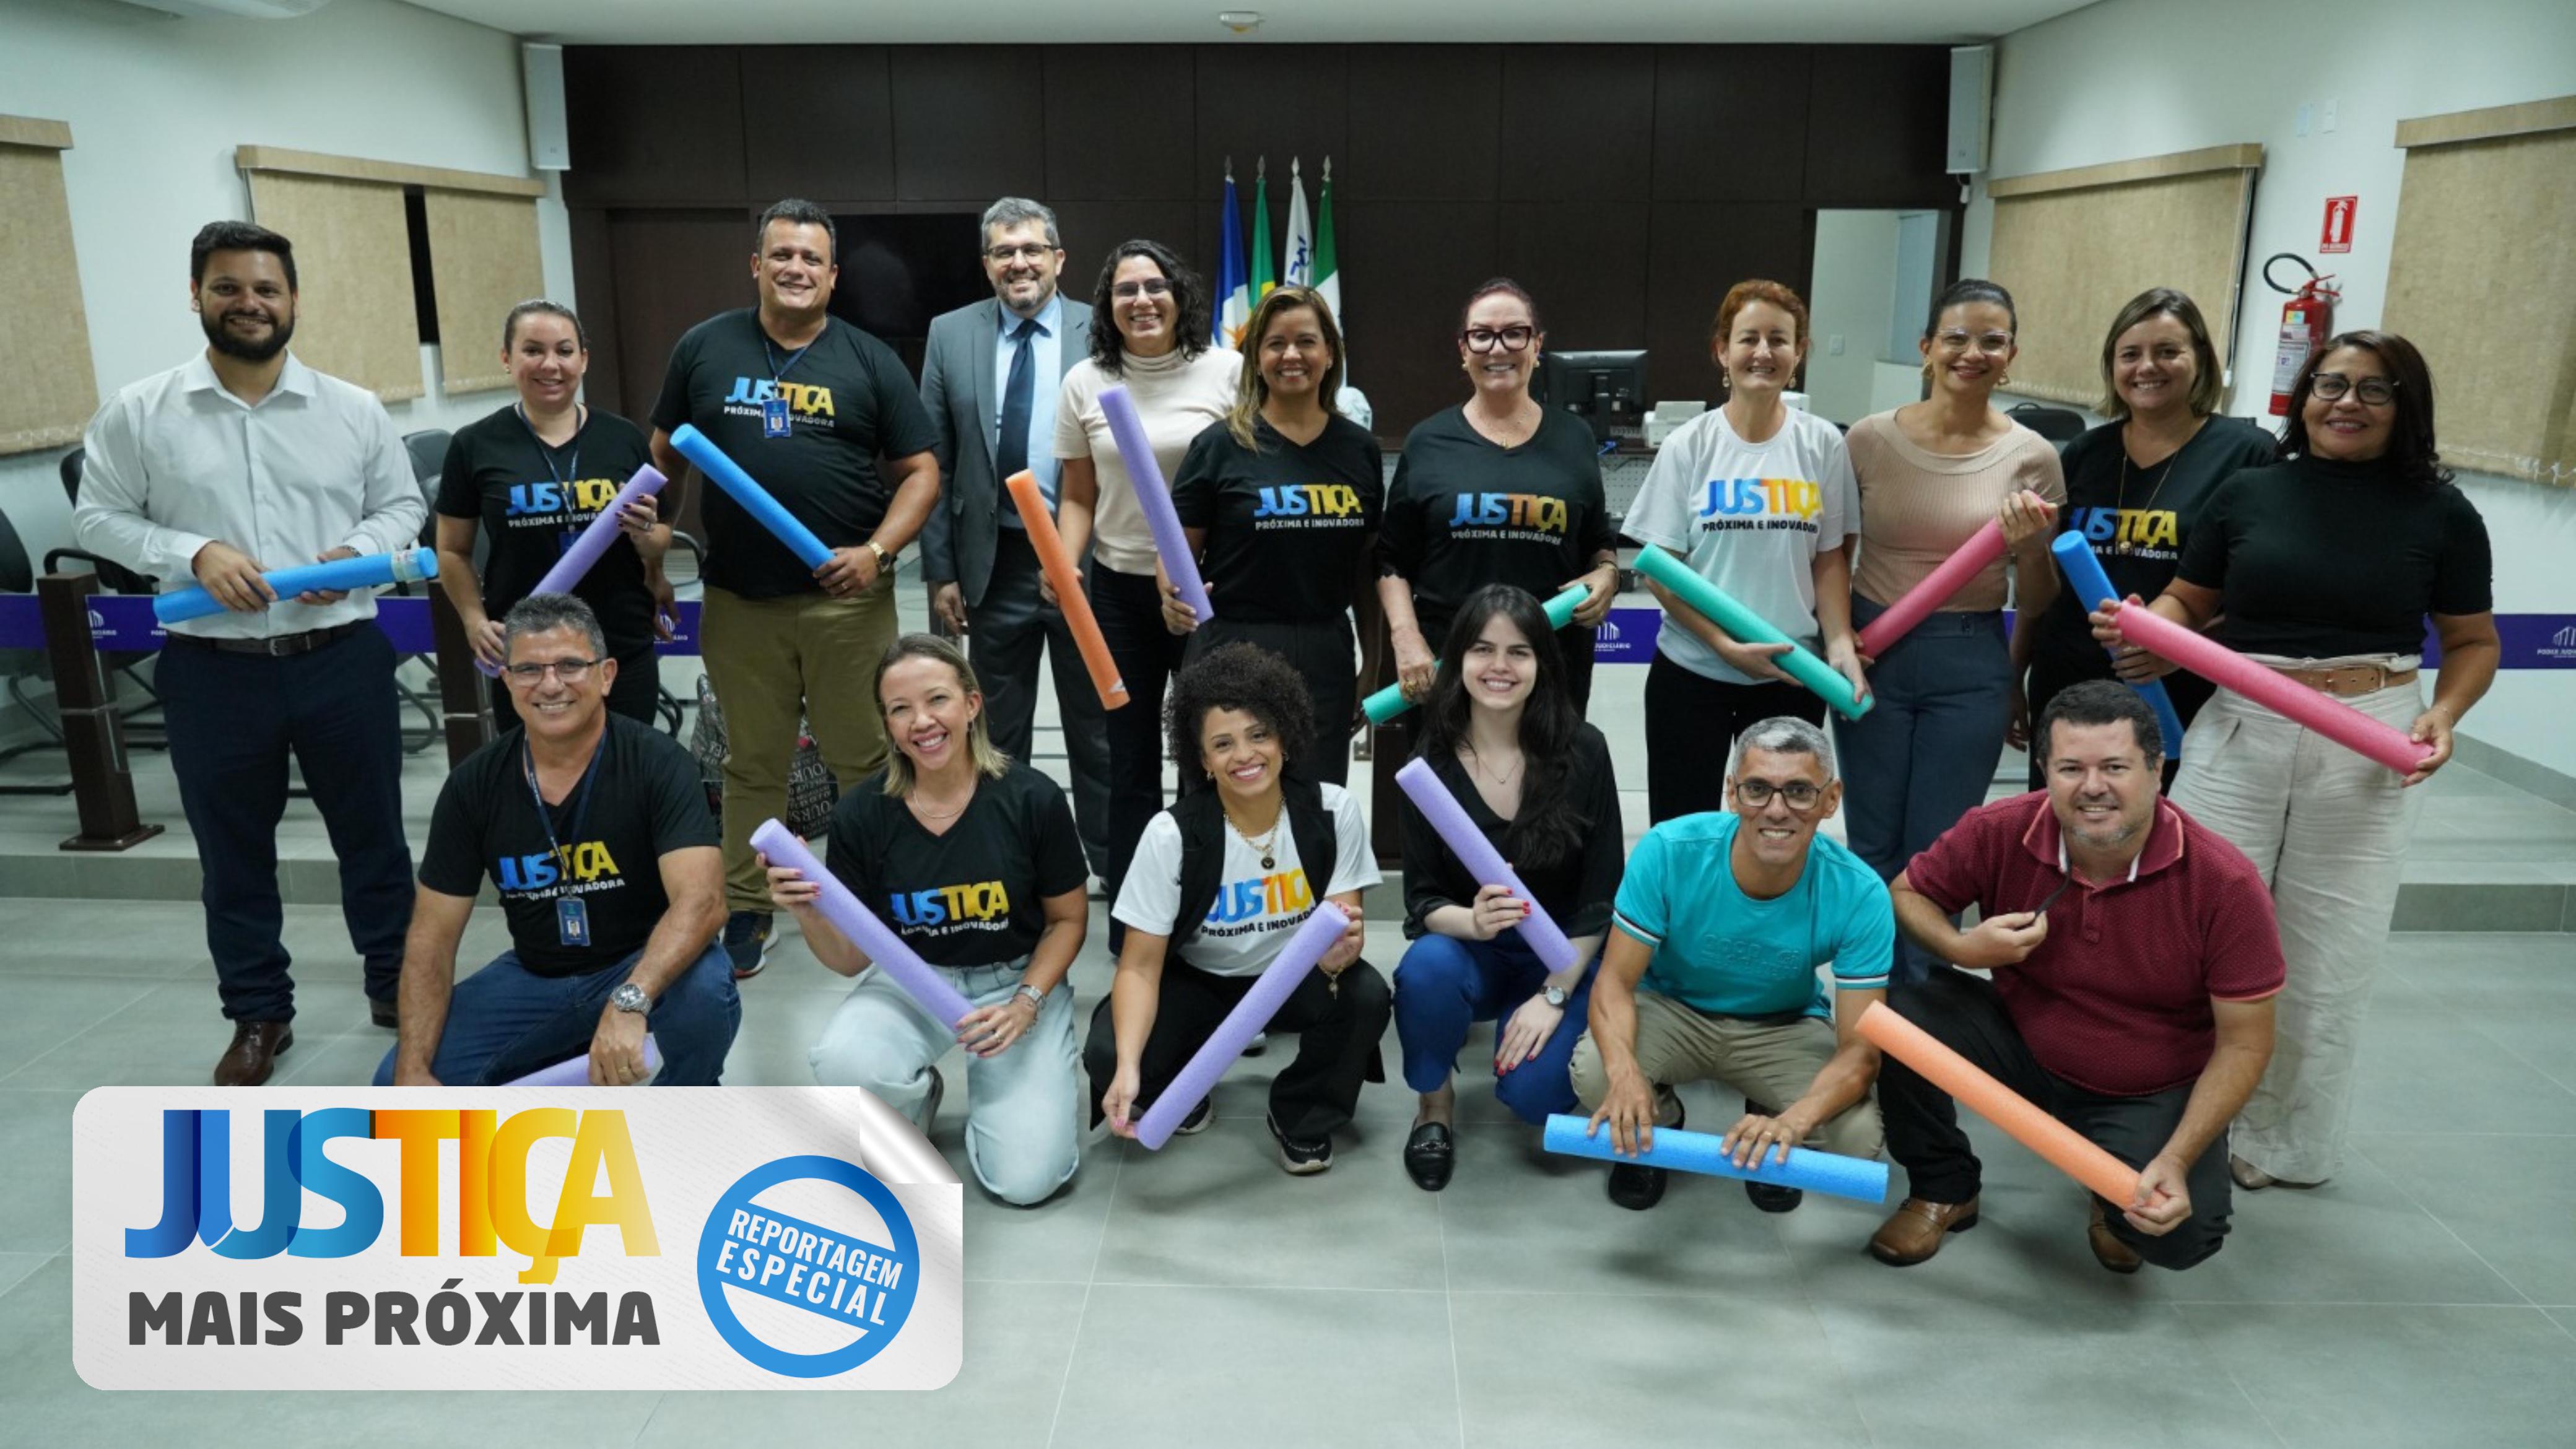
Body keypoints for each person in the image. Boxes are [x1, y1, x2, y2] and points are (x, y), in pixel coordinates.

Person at [2094, 332, 2496, 1192]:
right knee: (2185, 929)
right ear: (2304, 396)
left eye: (2374, 391)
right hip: (2244, 718)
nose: (2346, 403)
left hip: (2369, 732)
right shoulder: (2249, 493)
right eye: (2330, 385)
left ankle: (2282, 1145)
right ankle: (2168, 1121)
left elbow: (2472, 641)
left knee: (2328, 952)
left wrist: (2445, 712)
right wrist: (2151, 627)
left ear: (2406, 408)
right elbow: (2191, 600)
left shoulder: (2443, 512)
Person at [73, 220, 424, 1086]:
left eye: (266, 289)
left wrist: (353, 552)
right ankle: (258, 1012)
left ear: (293, 300)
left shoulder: (353, 409)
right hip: (213, 670)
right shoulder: (141, 411)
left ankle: (398, 988)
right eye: (228, 287)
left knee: (375, 840)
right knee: (234, 857)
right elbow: (98, 516)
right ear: (197, 297)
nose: (250, 304)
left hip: (340, 653)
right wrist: (190, 552)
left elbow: (403, 506)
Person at [1869, 681, 2282, 1273]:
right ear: (2045, 771)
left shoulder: (2225, 885)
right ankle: (1945, 1186)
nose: (2092, 787)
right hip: (2026, 1045)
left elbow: (2247, 1042)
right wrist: (1961, 944)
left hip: (2146, 1086)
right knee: (1900, 1018)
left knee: (2178, 1239)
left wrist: (2176, 1158)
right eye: (2070, 768)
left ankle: (2109, 1187)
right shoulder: (2002, 828)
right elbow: (1907, 893)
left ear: (2156, 769)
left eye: (2115, 767)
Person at [649, 198, 942, 980]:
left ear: (833, 274)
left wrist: (877, 552)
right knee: (752, 762)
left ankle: (869, 897)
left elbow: (922, 473)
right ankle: (747, 907)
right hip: (742, 600)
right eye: (781, 255)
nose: (795, 269)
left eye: (811, 259)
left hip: (847, 603)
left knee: (867, 758)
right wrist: (652, 559)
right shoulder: (703, 349)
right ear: (756, 265)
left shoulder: (868, 359)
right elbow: (663, 465)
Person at [768, 635, 1090, 1206]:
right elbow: (850, 960)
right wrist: (807, 908)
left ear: (971, 705)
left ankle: (1007, 1105)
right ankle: (916, 1098)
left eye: (937, 700)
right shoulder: (863, 815)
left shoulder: (1031, 799)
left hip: (1012, 985)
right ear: (888, 725)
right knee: (848, 1063)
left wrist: (1027, 1003)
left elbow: (1067, 921)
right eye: (900, 709)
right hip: (913, 981)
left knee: (1026, 1181)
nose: (922, 721)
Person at [380, 594, 737, 1087]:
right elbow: (431, 940)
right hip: (536, 977)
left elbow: (704, 902)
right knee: (398, 1082)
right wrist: (411, 1070)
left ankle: (685, 1103)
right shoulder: (473, 785)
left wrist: (630, 999)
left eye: (571, 666)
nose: (550, 685)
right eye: (528, 670)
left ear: (606, 675)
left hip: (638, 962)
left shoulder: (657, 763)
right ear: (506, 681)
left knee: (704, 991)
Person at [1087, 643, 1389, 1174]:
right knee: (1112, 1052)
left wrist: (1339, 957)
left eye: (1258, 735)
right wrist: (1130, 1066)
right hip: (1201, 981)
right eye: (1222, 744)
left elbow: (1345, 932)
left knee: (1365, 995)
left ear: (1284, 738)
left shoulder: (1331, 810)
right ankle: (1185, 1091)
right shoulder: (1171, 834)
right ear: (1201, 760)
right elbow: (1138, 966)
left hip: (1295, 975)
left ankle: (1300, 1112)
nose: (1245, 756)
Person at [1840, 278, 2066, 981]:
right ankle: (1866, 998)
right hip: (1870, 647)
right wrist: (1837, 641)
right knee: (1870, 840)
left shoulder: (2032, 457)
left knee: (1938, 848)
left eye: (1990, 340)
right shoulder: (1868, 441)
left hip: (1969, 656)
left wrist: (2028, 546)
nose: (1972, 352)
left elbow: (2036, 598)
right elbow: (1827, 555)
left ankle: (1920, 1015)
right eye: (1956, 338)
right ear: (1926, 348)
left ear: (2011, 354)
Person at [1572, 717, 1890, 1216]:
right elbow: (1614, 982)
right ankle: (1658, 1121)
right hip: (1673, 1009)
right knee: (1596, 1074)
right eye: (1758, 789)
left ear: (1831, 800)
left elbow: (1861, 1053)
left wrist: (1796, 1122)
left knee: (1856, 1138)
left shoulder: (1862, 892)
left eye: (1800, 792)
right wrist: (1625, 1074)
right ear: (1732, 794)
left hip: (1783, 1024)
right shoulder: (1669, 850)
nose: (1777, 810)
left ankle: (1769, 1120)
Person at [1391, 585, 1622, 1192]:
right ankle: (1433, 1106)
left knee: (1532, 1097)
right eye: (1481, 650)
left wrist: (1552, 995)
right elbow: (1419, 900)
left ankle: (1541, 1037)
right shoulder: (1431, 761)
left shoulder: (1584, 750)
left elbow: (1602, 895)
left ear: (1543, 665)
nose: (1498, 667)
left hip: (1563, 956)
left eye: (1518, 653)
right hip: (1475, 952)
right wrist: (1471, 921)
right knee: (1426, 969)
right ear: (1457, 661)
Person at [1624, 279, 1867, 824]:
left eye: (1779, 340)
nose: (1763, 352)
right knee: (1683, 826)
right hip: (1692, 671)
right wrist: (1722, 644)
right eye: (1748, 338)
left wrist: (1840, 646)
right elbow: (1662, 571)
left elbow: (1830, 558)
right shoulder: (1691, 444)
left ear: (1799, 352)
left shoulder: (1823, 443)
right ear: (1722, 352)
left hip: (1791, 673)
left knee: (1779, 825)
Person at [916, 198, 1109, 872]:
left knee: (1097, 729)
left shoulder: (1103, 327)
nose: (1018, 263)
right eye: (1003, 252)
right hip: (991, 562)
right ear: (987, 265)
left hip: (1086, 560)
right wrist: (939, 572)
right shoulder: (950, 333)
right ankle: (1009, 866)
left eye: (1031, 249)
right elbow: (932, 461)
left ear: (1058, 258)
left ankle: (1111, 873)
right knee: (994, 730)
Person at [1049, 240, 1243, 909]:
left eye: (1153, 286)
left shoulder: (1228, 372)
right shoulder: (1085, 381)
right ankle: (1136, 909)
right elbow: (1077, 496)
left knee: (1206, 752)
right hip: (1117, 591)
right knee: (1126, 756)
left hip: (1205, 592)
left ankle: (1206, 900)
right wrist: (1064, 560)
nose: (1141, 301)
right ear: (1106, 306)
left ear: (1179, 293)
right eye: (1124, 290)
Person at [2016, 288, 2275, 789]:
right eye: (2130, 354)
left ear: (2201, 359)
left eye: (2168, 352)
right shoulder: (2084, 454)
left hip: (2181, 687)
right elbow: (2043, 586)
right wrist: (2014, 677)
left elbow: (2260, 596)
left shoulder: (2248, 455)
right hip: (2070, 681)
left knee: (2168, 839)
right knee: (2062, 833)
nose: (2147, 367)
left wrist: (2183, 648)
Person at [1162, 285, 1383, 786]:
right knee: (1225, 808)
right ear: (1255, 357)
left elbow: (1365, 574)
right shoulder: (1219, 446)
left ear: (1330, 353)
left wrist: (1371, 667)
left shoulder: (1359, 450)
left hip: (1325, 652)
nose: (1291, 355)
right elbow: (1176, 556)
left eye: (1306, 341)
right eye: (1275, 343)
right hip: (1231, 649)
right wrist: (1170, 594)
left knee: (1311, 807)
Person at [1378, 278, 1622, 719]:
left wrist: (1608, 576)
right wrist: (1406, 638)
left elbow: (1597, 543)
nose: (1498, 348)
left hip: (1550, 666)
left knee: (1545, 786)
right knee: (1447, 789)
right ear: (1463, 349)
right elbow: (1392, 560)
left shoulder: (1575, 438)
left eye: (1515, 332)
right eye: (1482, 335)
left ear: (1537, 345)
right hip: (1448, 665)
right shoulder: (1428, 440)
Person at [435, 299, 672, 728]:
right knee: (538, 777)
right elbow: (452, 550)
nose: (551, 364)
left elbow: (660, 537)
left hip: (618, 644)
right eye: (533, 350)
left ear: (584, 359)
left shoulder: (623, 438)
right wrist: (473, 619)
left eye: (564, 351)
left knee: (627, 772)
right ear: (507, 359)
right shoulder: (474, 445)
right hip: (527, 653)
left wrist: (646, 539)